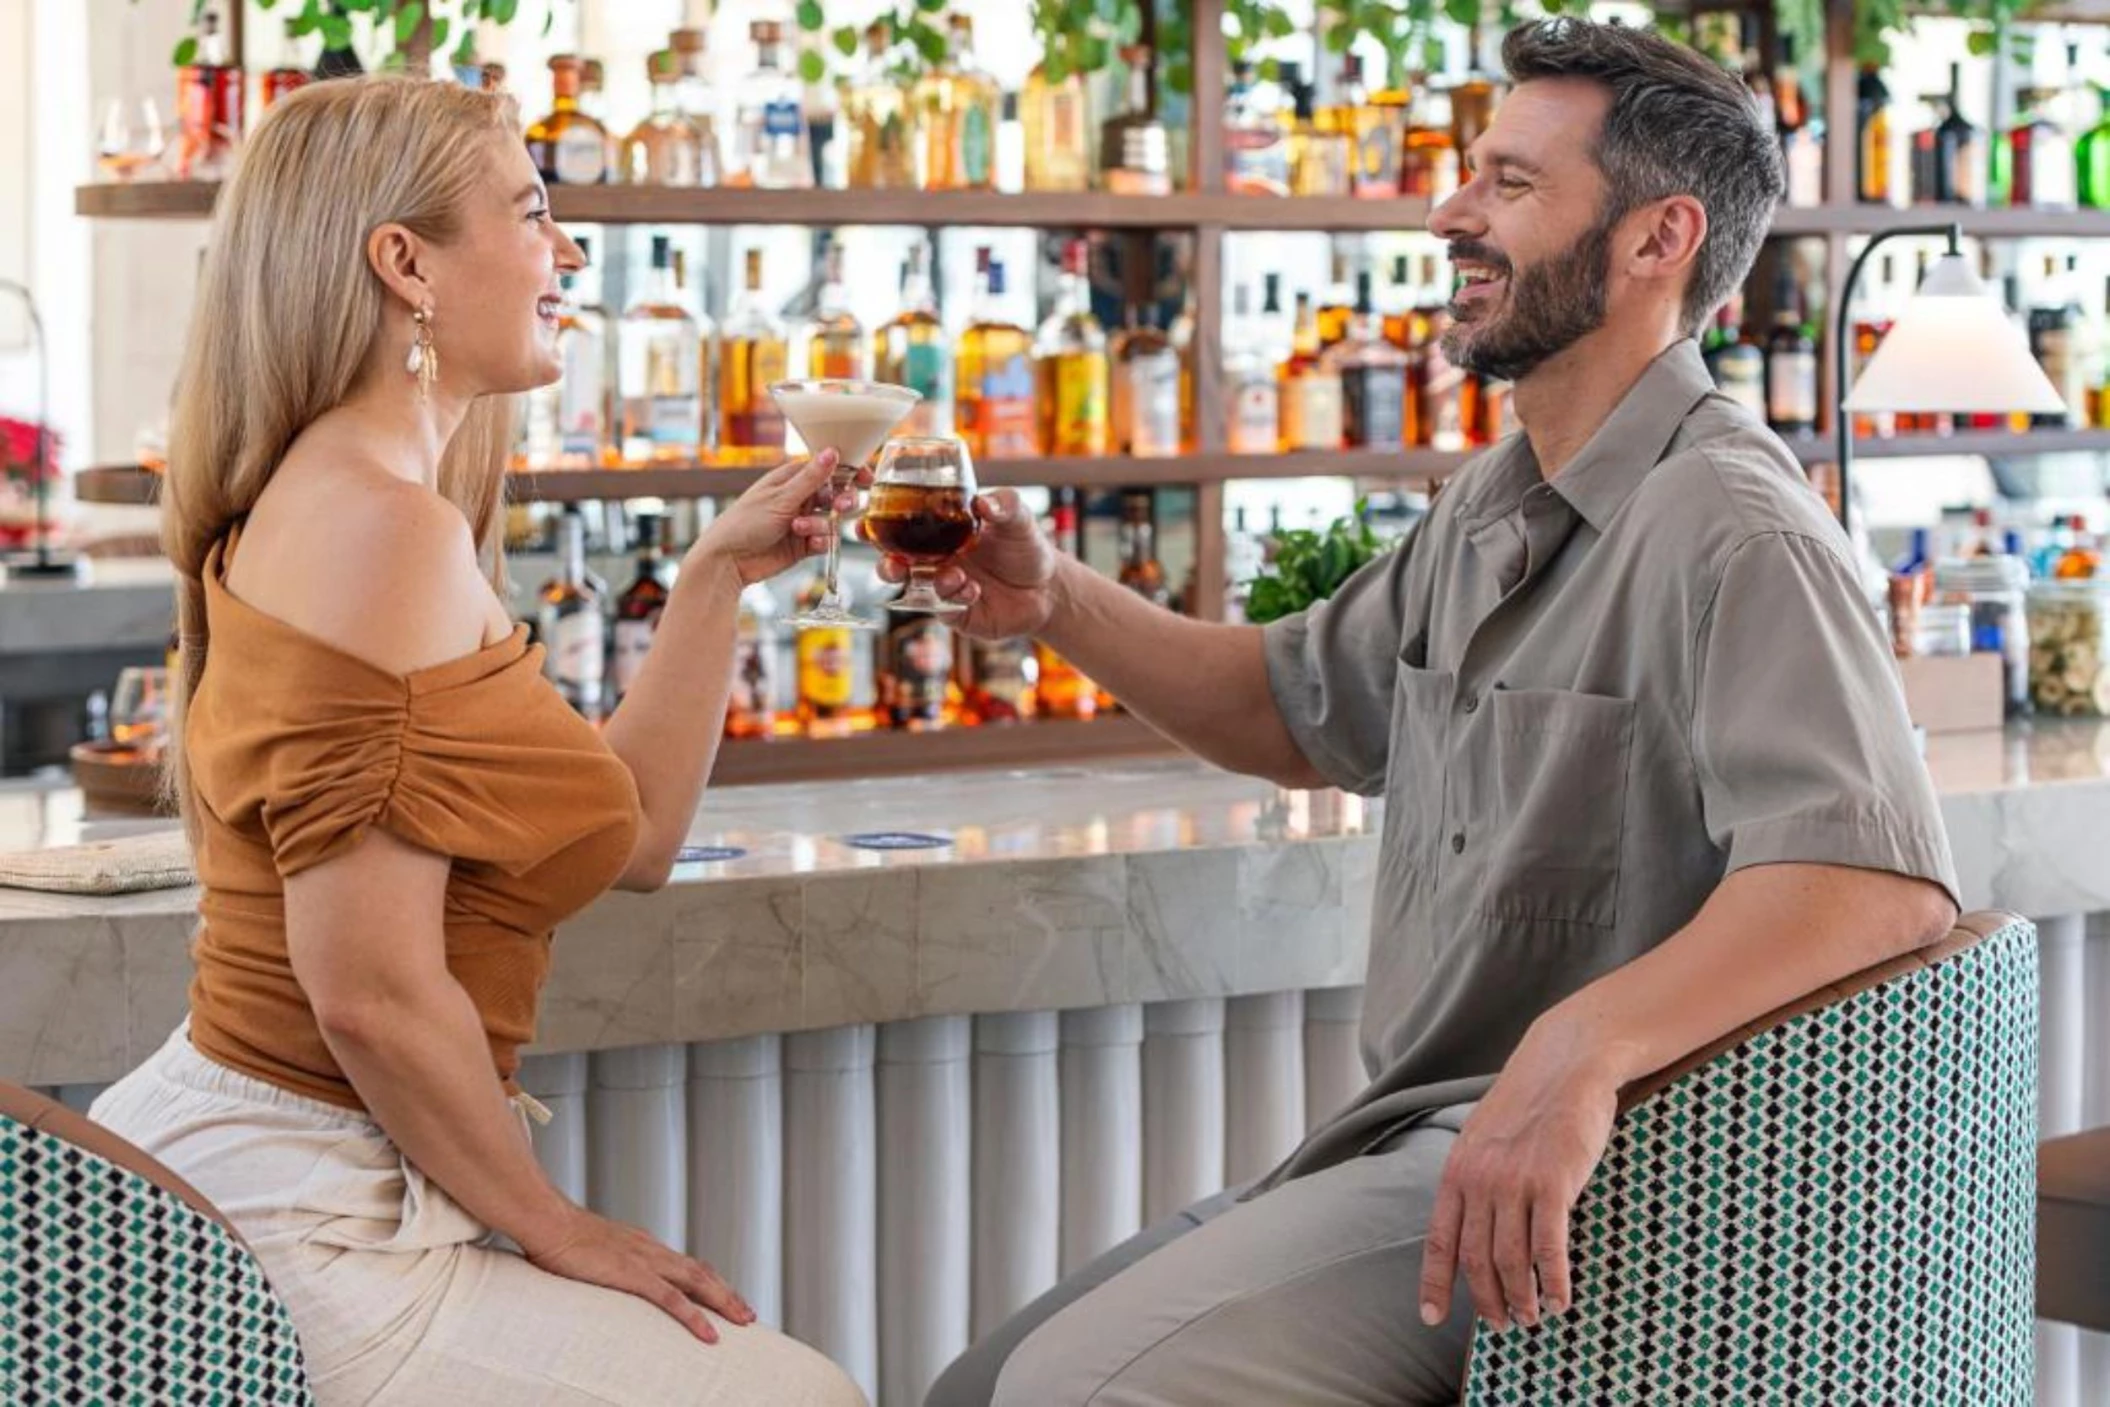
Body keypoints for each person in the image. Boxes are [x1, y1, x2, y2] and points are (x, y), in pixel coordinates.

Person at [918, 19, 1958, 1406]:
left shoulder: (1734, 528)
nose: (1449, 213)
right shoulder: (1493, 497)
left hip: (1607, 1185)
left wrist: (1578, 1048)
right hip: (1413, 1145)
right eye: (1472, 173)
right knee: (973, 1383)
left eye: (1511, 186)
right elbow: (1293, 709)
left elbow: (1871, 883)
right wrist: (1051, 600)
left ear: (1658, 240)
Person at [88, 77, 866, 1407]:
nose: (569, 252)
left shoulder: (366, 502)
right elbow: (371, 992)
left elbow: (634, 831)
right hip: (298, 1206)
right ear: (405, 262)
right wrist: (553, 1222)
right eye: (532, 211)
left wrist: (713, 581)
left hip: (310, 1169)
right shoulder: (381, 525)